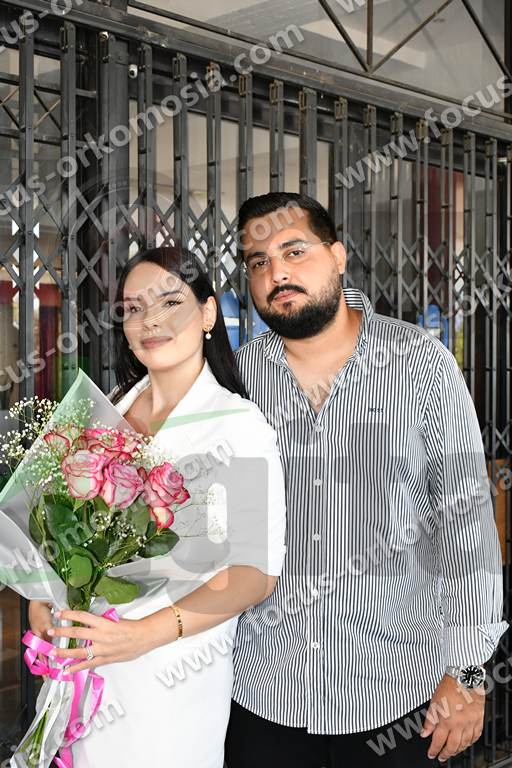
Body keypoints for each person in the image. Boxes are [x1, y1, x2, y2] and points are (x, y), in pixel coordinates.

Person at [225, 192, 509, 767]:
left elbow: (466, 525)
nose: (276, 273)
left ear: (337, 256)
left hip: (402, 693)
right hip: (262, 691)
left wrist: (469, 671)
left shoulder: (420, 362)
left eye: (294, 251)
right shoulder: (236, 380)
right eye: (258, 262)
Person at [28, 246, 287, 768]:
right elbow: (57, 526)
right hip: (80, 662)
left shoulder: (238, 425)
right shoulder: (106, 409)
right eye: (134, 308)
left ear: (208, 314)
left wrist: (142, 636)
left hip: (169, 678)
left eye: (170, 303)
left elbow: (254, 573)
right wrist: (41, 598)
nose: (151, 321)